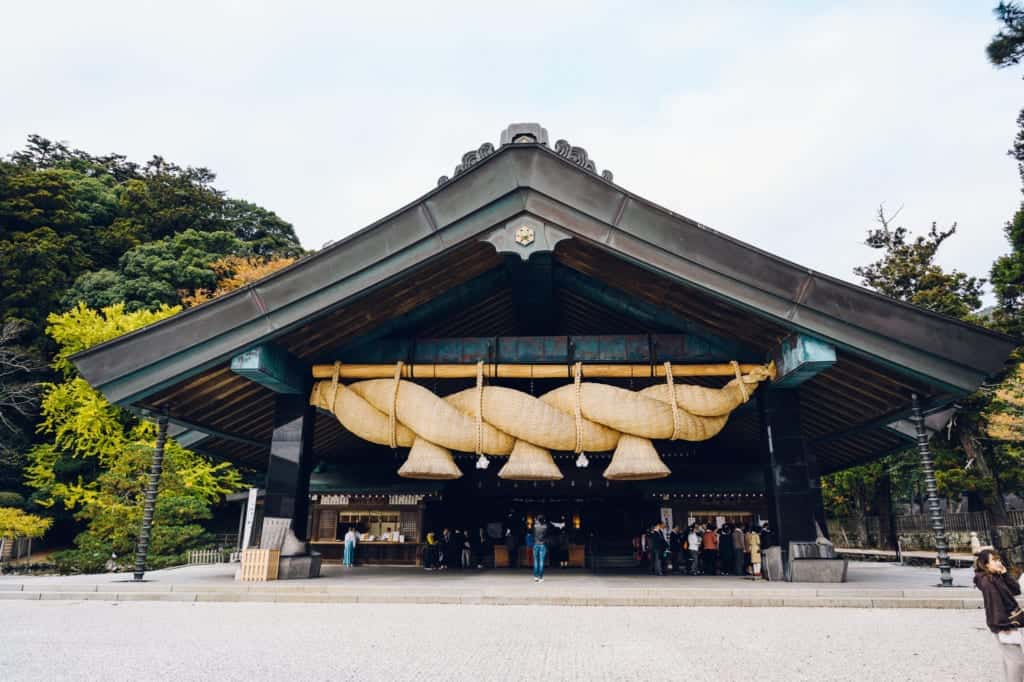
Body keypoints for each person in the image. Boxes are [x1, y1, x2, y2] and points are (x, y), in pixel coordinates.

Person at [974, 549, 1024, 680]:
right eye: (994, 560)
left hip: (1007, 622)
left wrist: (1006, 574)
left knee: (1010, 660)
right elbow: (994, 605)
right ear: (986, 565)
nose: (999, 562)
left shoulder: (997, 576)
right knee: (1017, 662)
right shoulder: (988, 581)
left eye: (999, 559)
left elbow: (1016, 590)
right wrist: (1004, 626)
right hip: (1004, 624)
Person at [533, 515, 549, 582]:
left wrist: (536, 522)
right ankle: (541, 577)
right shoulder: (545, 527)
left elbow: (533, 533)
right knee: (541, 561)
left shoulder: (535, 527)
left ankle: (536, 576)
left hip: (536, 544)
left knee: (536, 561)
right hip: (542, 544)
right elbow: (546, 535)